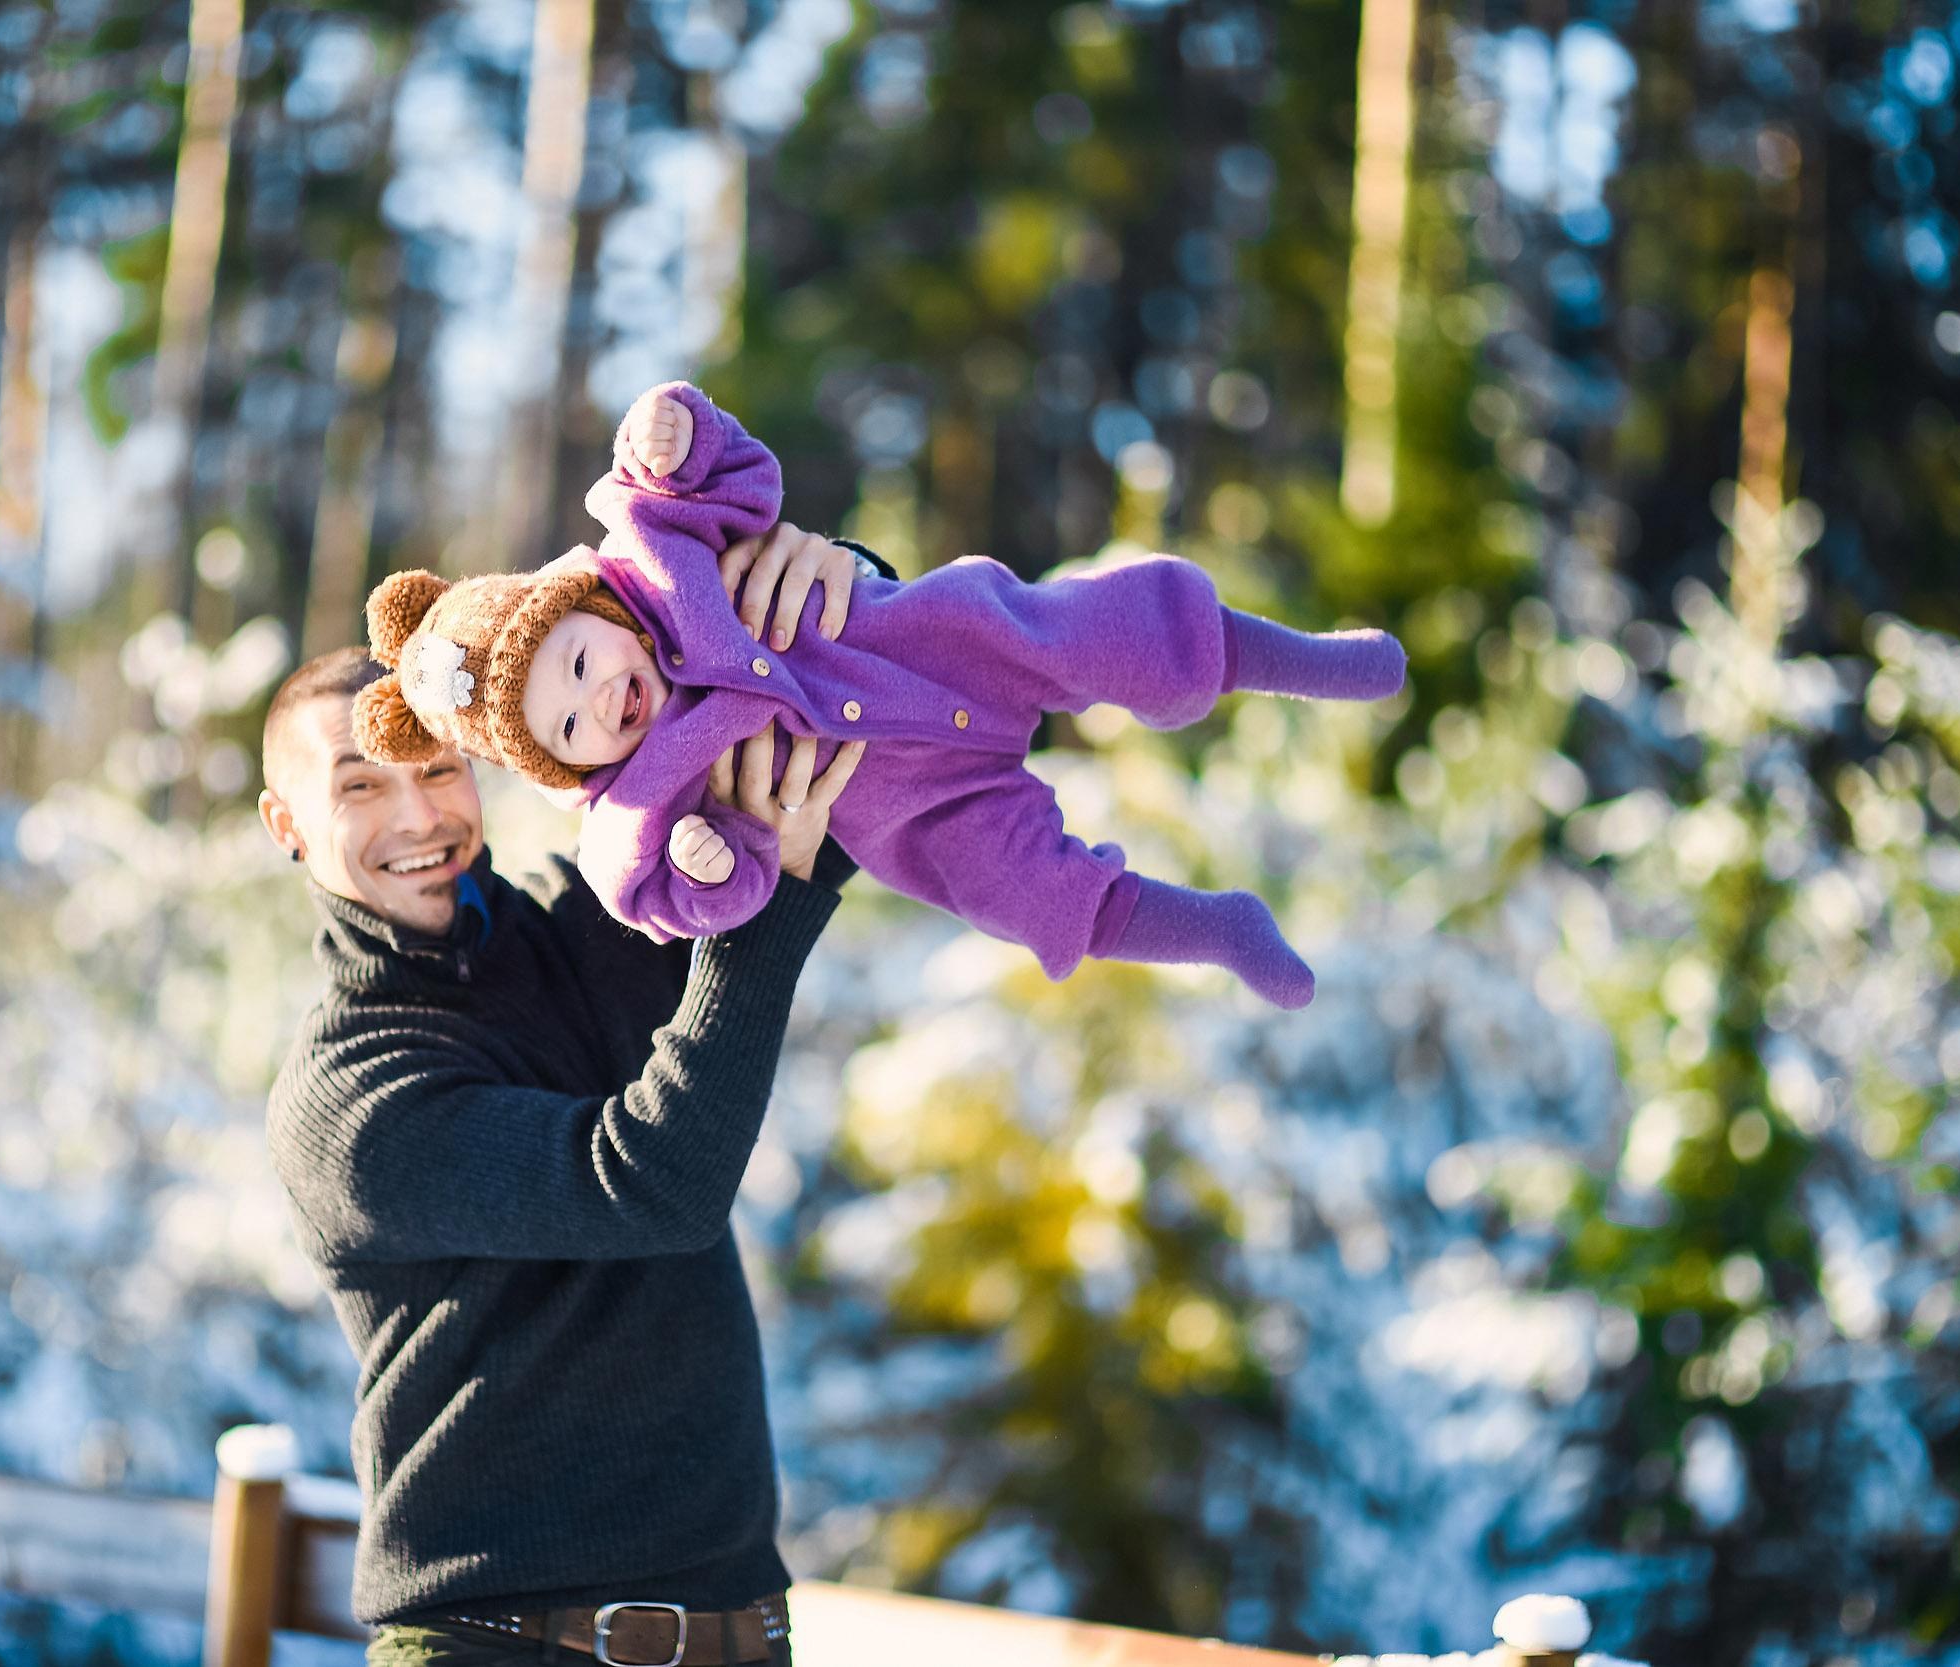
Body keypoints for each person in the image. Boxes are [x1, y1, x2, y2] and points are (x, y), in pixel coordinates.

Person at [254, 524, 877, 1667]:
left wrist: (841, 584)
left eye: (436, 769)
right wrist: (767, 913)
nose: (416, 817)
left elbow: (810, 784)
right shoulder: (347, 1092)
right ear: (285, 823)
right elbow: (649, 1184)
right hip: (497, 1640)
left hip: (739, 1631)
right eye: (358, 786)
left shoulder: (593, 917)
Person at [347, 382, 1409, 1012]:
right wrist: (710, 864)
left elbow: (724, 478)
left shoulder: (656, 552)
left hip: (936, 648)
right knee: (1030, 897)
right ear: (558, 765)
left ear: (590, 605)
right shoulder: (630, 810)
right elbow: (675, 898)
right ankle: (1218, 930)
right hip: (914, 808)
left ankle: (1309, 662)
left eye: (580, 663)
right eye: (568, 727)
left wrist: (671, 432)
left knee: (1108, 630)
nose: (600, 702)